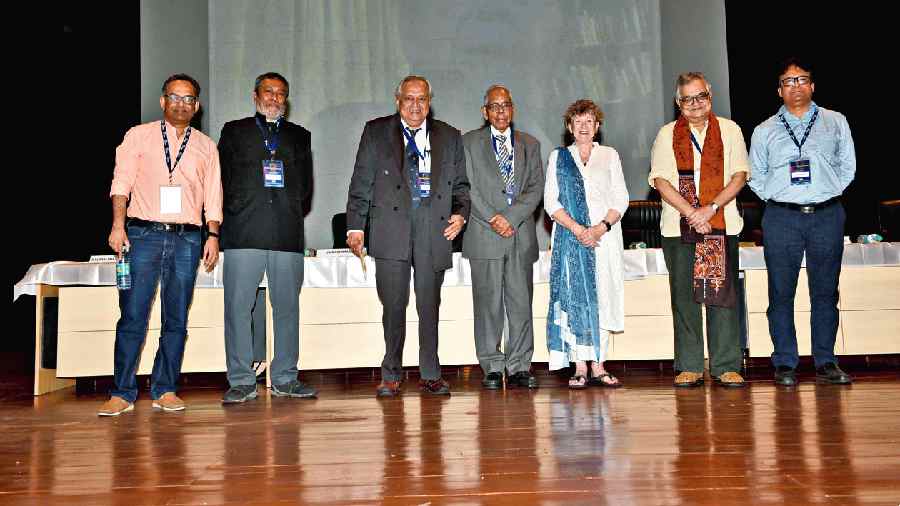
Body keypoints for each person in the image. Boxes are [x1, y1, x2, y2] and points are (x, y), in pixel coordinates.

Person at [99, 74, 222, 416]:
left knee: (176, 318)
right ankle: (121, 392)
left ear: (197, 106)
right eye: (175, 97)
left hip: (187, 238)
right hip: (142, 235)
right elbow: (120, 182)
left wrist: (212, 236)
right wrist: (117, 225)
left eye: (188, 99)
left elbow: (213, 195)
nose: (181, 104)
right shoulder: (138, 136)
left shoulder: (205, 146)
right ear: (162, 101)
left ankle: (165, 388)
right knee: (133, 316)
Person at [346, 75, 471, 397]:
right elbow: (361, 182)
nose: (416, 106)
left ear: (430, 101)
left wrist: (461, 214)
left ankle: (431, 373)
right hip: (390, 230)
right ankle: (392, 374)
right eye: (409, 99)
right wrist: (355, 226)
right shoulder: (376, 132)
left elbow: (461, 188)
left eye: (422, 99)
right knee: (394, 307)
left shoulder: (450, 135)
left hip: (434, 231)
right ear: (398, 100)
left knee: (430, 306)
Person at [749, 58, 856, 386]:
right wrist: (781, 198)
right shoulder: (764, 129)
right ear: (779, 90)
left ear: (813, 85)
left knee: (825, 292)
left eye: (802, 80)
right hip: (782, 218)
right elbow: (756, 175)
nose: (795, 86)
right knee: (781, 293)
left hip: (827, 215)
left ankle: (826, 361)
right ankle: (785, 363)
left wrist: (823, 192)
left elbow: (847, 166)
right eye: (788, 81)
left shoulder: (835, 121)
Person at [218, 72, 317, 403]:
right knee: (238, 308)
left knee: (287, 308)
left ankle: (286, 377)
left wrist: (286, 210)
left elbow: (305, 189)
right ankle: (241, 380)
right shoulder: (235, 132)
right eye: (269, 92)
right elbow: (223, 180)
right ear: (255, 95)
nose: (275, 98)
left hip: (286, 234)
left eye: (281, 94)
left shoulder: (299, 136)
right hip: (243, 231)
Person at [649, 72, 749, 388]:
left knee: (722, 297)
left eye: (700, 97)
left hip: (721, 224)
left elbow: (739, 176)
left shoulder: (730, 130)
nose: (694, 105)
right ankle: (690, 365)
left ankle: (725, 365)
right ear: (678, 103)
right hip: (680, 228)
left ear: (710, 96)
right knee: (684, 299)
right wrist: (692, 212)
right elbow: (661, 181)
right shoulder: (667, 135)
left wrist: (711, 208)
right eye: (687, 99)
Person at [461, 85, 544, 390]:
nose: (500, 112)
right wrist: (494, 218)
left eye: (505, 105)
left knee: (521, 304)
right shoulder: (468, 143)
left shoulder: (530, 144)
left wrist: (510, 218)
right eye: (494, 106)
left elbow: (536, 188)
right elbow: (466, 187)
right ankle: (492, 366)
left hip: (520, 235)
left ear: (513, 109)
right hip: (484, 234)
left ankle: (520, 365)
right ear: (485, 112)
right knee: (488, 306)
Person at [544, 99, 628, 389]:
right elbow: (551, 202)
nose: (583, 127)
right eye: (577, 122)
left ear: (597, 126)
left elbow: (621, 199)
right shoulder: (559, 158)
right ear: (569, 127)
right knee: (575, 300)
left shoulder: (609, 156)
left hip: (603, 240)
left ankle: (599, 365)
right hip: (570, 239)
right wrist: (580, 229)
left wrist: (599, 228)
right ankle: (579, 366)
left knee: (601, 299)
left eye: (589, 121)